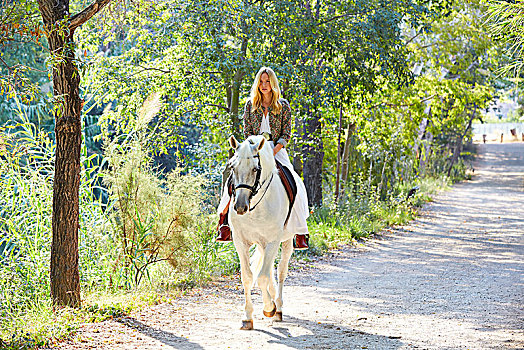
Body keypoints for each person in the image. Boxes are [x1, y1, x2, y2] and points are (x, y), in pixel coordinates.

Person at [216, 66, 309, 250]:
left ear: (273, 83)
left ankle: (300, 231)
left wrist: (272, 151)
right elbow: (247, 132)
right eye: (261, 81)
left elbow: (286, 134)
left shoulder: (283, 105)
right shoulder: (250, 105)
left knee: (295, 182)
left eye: (267, 81)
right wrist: (255, 151)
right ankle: (224, 224)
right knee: (232, 181)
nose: (264, 85)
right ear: (257, 83)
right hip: (252, 150)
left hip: (276, 150)